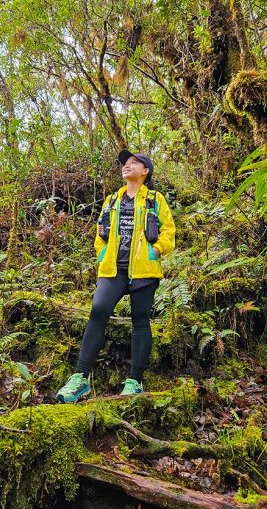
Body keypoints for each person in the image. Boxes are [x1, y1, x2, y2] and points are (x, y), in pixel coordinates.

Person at [56, 149, 177, 403]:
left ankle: (134, 382)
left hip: (144, 270)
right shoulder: (112, 200)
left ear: (145, 171)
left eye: (134, 163)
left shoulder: (155, 200)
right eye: (125, 164)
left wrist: (156, 250)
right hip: (113, 269)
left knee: (140, 320)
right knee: (98, 310)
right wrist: (101, 255)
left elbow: (168, 230)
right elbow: (100, 234)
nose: (127, 166)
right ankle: (80, 378)